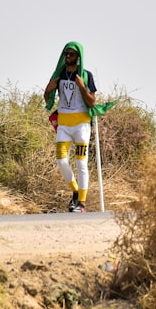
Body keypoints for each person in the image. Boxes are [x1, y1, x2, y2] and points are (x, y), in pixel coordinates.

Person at [43, 41, 112, 212]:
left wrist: (82, 87)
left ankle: (81, 203)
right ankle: (75, 190)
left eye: (71, 54)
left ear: (78, 57)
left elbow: (92, 101)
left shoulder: (86, 75)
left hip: (81, 125)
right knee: (61, 160)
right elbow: (48, 99)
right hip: (64, 126)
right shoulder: (59, 75)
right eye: (66, 53)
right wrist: (47, 90)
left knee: (81, 163)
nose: (68, 56)